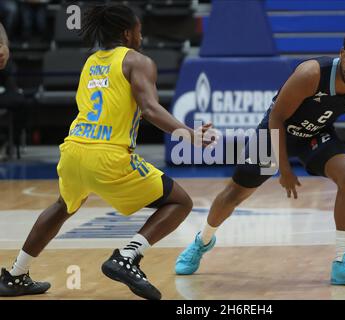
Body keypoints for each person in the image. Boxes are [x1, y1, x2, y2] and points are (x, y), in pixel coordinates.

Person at [0, 4, 213, 300]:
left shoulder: (90, 62)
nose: (141, 34)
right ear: (127, 33)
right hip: (108, 155)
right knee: (180, 202)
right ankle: (127, 257)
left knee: (63, 206)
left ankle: (15, 274)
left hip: (73, 149)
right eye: (138, 29)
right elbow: (151, 109)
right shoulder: (138, 61)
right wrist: (189, 135)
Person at [176, 30, 345, 285]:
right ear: (341, 54)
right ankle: (202, 241)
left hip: (314, 135)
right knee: (234, 194)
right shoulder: (312, 74)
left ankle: (342, 263)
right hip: (276, 132)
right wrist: (284, 169)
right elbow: (277, 117)